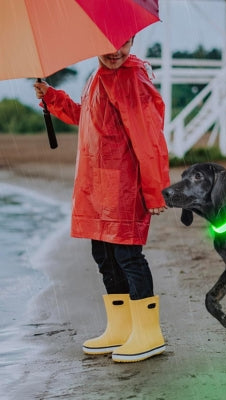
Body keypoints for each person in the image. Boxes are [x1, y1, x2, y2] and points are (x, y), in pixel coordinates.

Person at [34, 37, 170, 363]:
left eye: (123, 43)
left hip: (123, 184)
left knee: (127, 255)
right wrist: (53, 97)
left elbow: (148, 135)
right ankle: (122, 328)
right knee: (104, 255)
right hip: (97, 186)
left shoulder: (130, 77)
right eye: (107, 42)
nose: (115, 51)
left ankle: (149, 333)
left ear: (134, 39)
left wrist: (155, 189)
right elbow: (88, 117)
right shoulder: (97, 77)